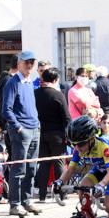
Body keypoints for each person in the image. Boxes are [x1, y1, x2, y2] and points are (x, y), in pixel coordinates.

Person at [1, 50, 42, 217]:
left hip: (33, 129)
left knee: (31, 168)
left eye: (32, 62)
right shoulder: (13, 82)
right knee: (19, 169)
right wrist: (18, 128)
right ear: (18, 64)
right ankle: (15, 204)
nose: (30, 65)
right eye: (26, 62)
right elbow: (6, 110)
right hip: (21, 131)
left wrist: (36, 125)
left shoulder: (29, 82)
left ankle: (26, 201)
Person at [34, 67, 72, 202]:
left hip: (40, 132)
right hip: (57, 134)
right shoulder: (58, 95)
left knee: (44, 164)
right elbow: (67, 118)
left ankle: (42, 195)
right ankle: (62, 193)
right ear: (55, 80)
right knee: (59, 163)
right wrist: (70, 136)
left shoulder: (35, 94)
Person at [0, 53, 19, 165]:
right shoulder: (9, 80)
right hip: (9, 121)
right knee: (14, 155)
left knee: (12, 154)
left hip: (5, 120)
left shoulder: (5, 79)